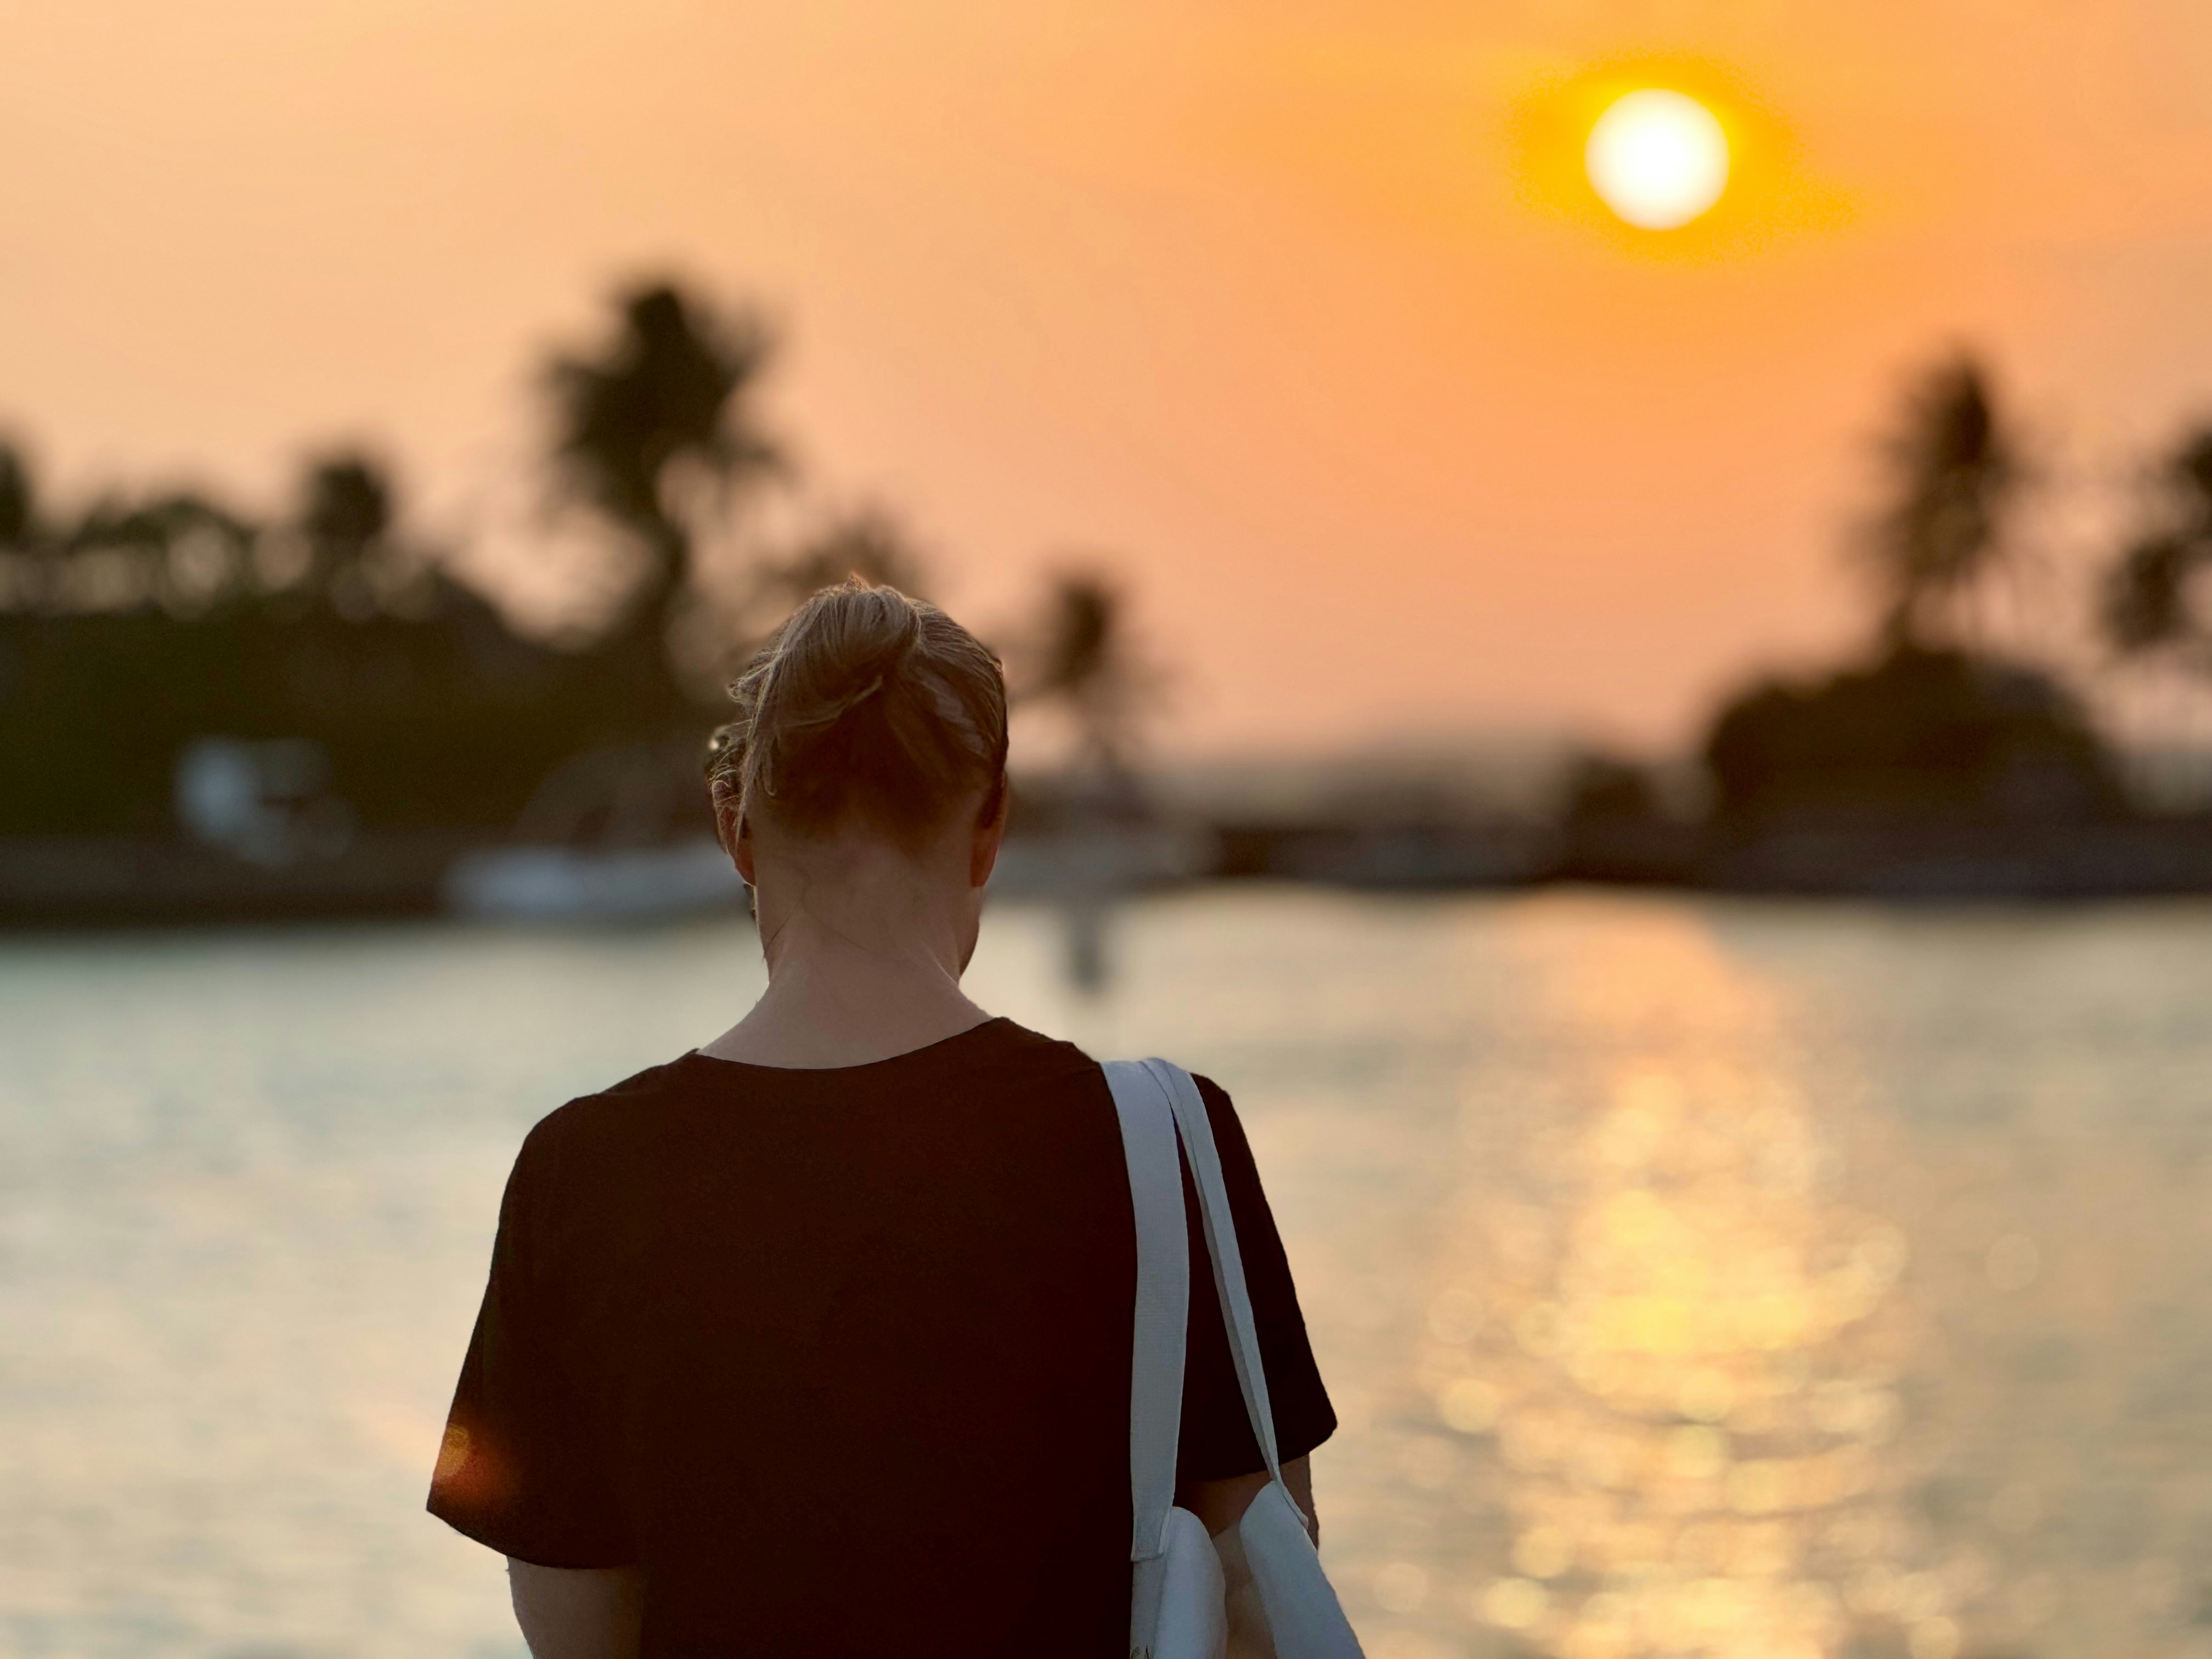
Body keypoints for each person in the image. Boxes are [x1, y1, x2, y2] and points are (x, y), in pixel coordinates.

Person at [426, 579, 1336, 1657]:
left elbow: (579, 1636)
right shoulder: (1168, 1144)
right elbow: (1266, 1592)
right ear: (989, 824)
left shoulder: (578, 1175)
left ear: (737, 828)